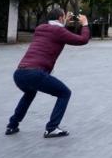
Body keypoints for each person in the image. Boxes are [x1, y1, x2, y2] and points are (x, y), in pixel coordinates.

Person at [6, 7, 90, 138]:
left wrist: (63, 24)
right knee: (64, 93)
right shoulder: (59, 31)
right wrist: (85, 24)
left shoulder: (40, 28)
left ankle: (12, 125)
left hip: (19, 73)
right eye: (64, 17)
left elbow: (56, 32)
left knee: (29, 93)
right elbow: (82, 40)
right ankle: (52, 128)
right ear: (61, 18)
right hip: (35, 73)